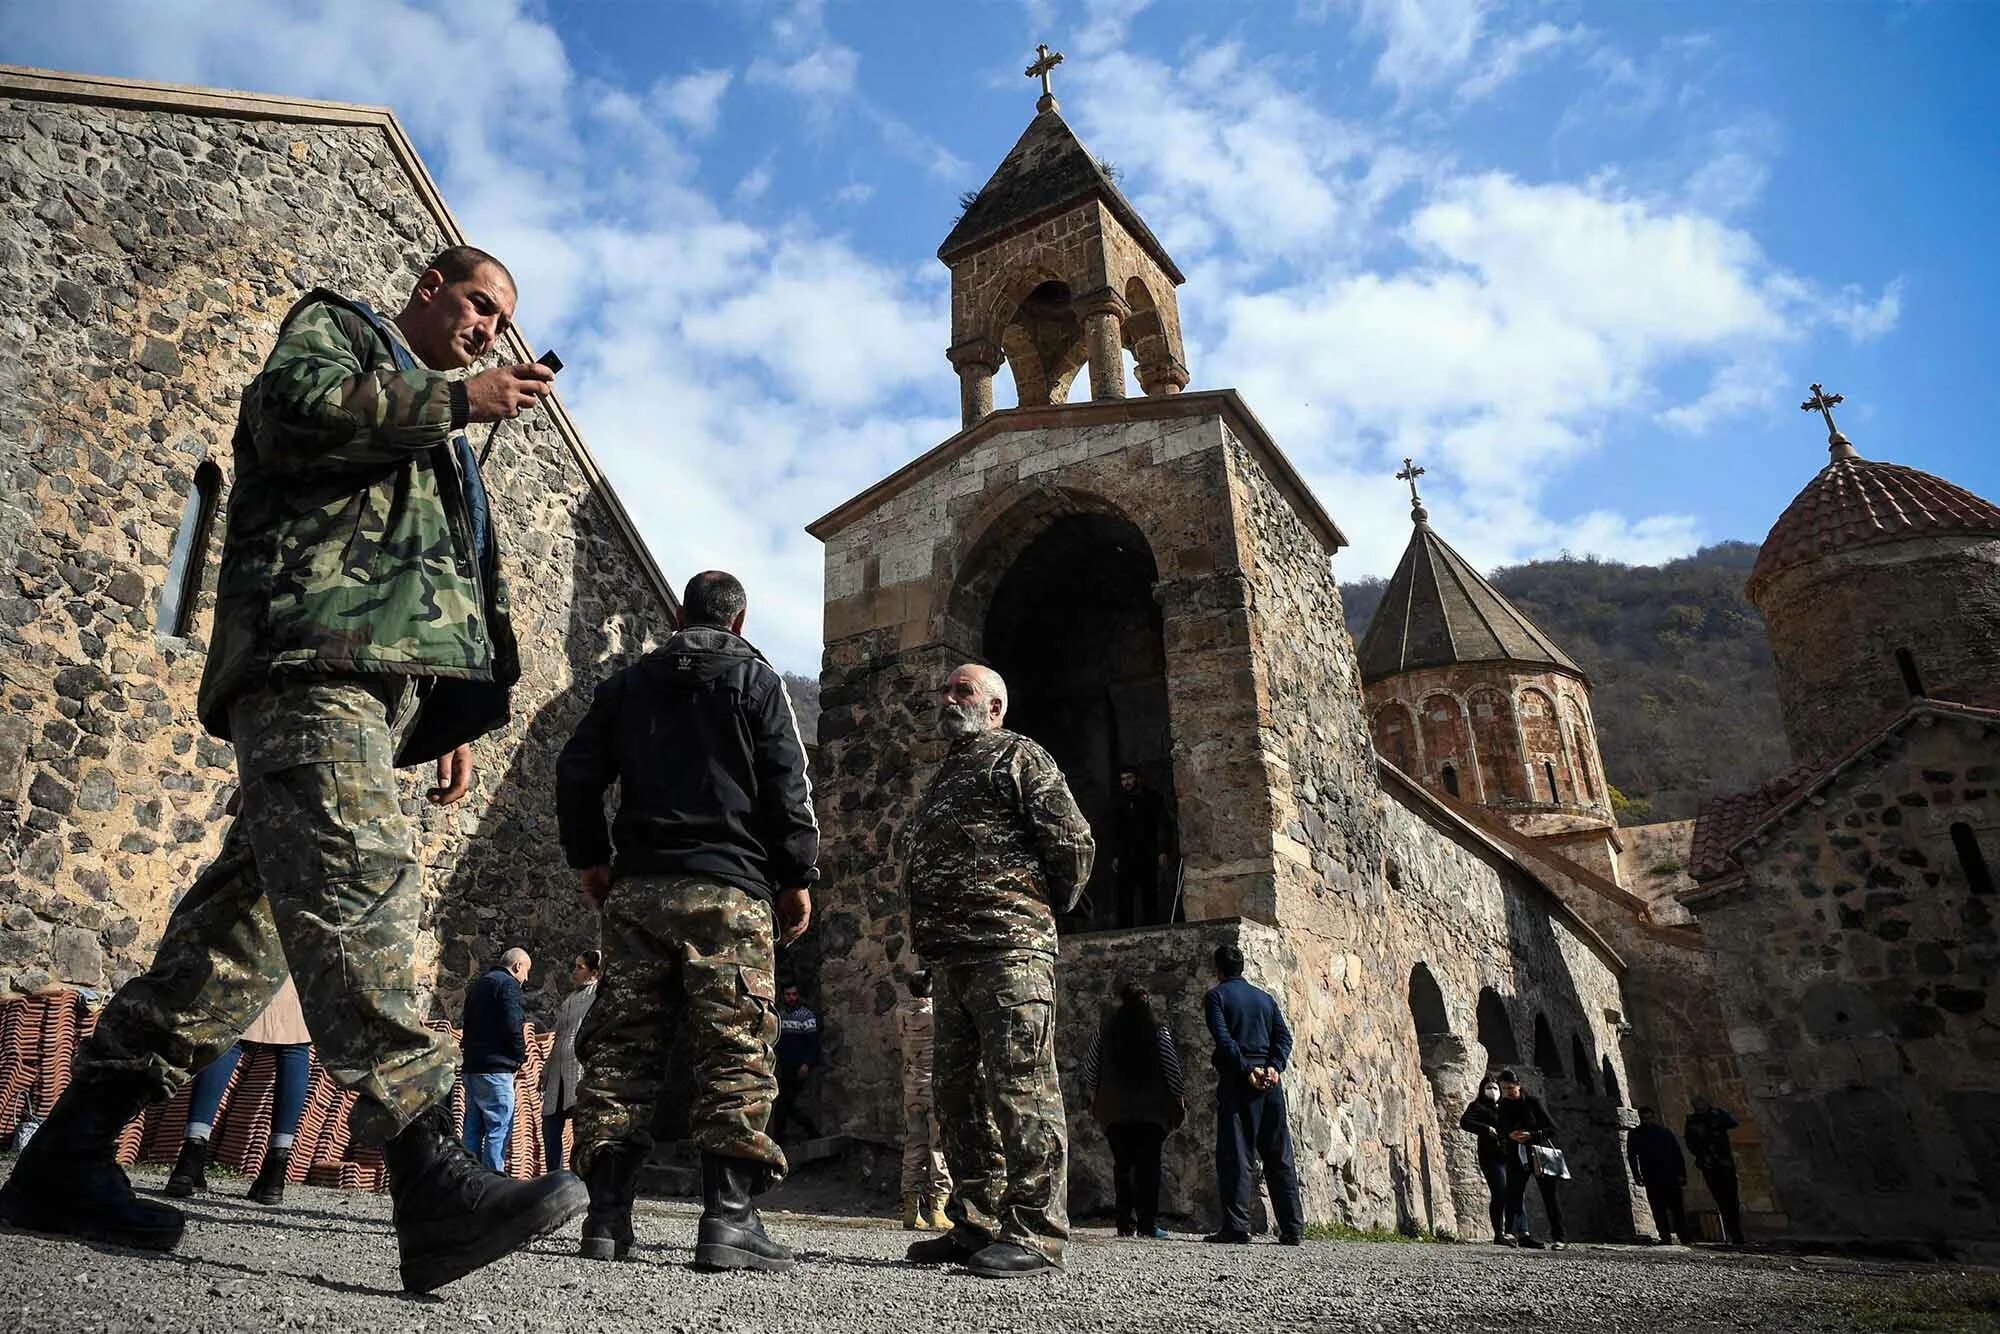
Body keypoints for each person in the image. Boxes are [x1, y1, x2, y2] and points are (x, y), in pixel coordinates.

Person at [0, 248, 585, 1294]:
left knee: (230, 941)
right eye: (477, 304)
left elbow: (428, 575)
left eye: (502, 319)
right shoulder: (343, 335)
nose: (489, 328)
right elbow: (289, 410)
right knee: (363, 883)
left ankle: (69, 1151)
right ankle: (427, 1168)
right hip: (307, 657)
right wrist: (456, 399)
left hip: (369, 678)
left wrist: (443, 701)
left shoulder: (437, 430)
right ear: (427, 289)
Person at [557, 570, 817, 1272]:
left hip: (639, 887)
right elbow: (788, 785)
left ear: (678, 615)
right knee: (734, 1047)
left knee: (620, 1049)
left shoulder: (628, 684)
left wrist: (592, 858)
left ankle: (606, 1221)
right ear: (740, 620)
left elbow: (576, 771)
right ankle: (729, 1221)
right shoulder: (757, 684)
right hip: (728, 891)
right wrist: (797, 877)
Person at [899, 664, 1095, 1279]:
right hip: (950, 960)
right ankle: (976, 1221)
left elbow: (1072, 840)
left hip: (1008, 951)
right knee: (956, 1097)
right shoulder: (944, 776)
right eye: (947, 689)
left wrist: (1032, 910)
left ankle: (1036, 1232)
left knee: (1021, 1086)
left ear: (994, 709)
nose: (948, 698)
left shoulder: (1019, 756)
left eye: (964, 691)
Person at [163, 975, 313, 1205]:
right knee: (294, 1041)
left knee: (229, 1034)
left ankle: (189, 1160)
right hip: (302, 952)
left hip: (251, 951)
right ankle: (276, 1171)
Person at [1202, 945, 1303, 1245]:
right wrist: (1274, 1066)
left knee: (1236, 1154)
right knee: (1279, 1156)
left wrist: (1247, 1070)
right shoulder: (1265, 999)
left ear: (1218, 969)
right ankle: (1292, 1226)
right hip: (1270, 1086)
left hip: (1239, 1082)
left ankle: (1236, 1226)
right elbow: (1284, 1037)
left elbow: (1223, 1039)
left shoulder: (1216, 998)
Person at [1081, 985, 1186, 1240]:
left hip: (1115, 1112)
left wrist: (1097, 1096)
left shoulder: (1105, 1031)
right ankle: (1148, 1224)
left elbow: (1090, 1068)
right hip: (1151, 1113)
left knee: (1123, 1167)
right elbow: (1172, 1069)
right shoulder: (1158, 1031)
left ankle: (1124, 1222)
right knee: (1149, 1167)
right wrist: (1178, 1098)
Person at [460, 948, 531, 1172]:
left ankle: (468, 1181)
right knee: (498, 1130)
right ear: (518, 966)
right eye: (526, 972)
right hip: (496, 1069)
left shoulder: (478, 986)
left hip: (473, 1068)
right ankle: (493, 1184)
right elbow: (513, 1025)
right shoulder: (508, 985)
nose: (526, 979)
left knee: (472, 1130)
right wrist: (520, 1057)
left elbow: (468, 1026)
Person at [896, 971, 951, 1231]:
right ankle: (938, 1210)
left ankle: (910, 1209)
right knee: (937, 1147)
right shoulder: (936, 1015)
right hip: (934, 1088)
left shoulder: (901, 1014)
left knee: (913, 1144)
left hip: (911, 1088)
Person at [540, 951, 601, 1173]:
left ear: (594, 973)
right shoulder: (569, 1001)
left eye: (580, 967)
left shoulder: (597, 995)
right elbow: (558, 1037)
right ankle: (554, 1177)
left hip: (579, 1071)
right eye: (574, 966)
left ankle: (580, 1178)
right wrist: (546, 1071)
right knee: (550, 1124)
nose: (574, 972)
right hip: (558, 1071)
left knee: (580, 1129)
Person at [1493, 1069, 1564, 1250]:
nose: (1508, 1091)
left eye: (1510, 1088)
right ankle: (1510, 1233)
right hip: (1517, 1155)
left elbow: (1552, 1128)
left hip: (1538, 1154)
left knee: (1550, 1197)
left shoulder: (1532, 1102)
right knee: (1514, 1195)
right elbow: (1500, 1129)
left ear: (1518, 1085)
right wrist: (1510, 1135)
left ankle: (1559, 1237)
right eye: (1504, 1088)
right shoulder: (1502, 1105)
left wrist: (1531, 1135)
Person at [1109, 767, 1175, 928]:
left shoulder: (1152, 799)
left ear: (1138, 778)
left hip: (1147, 853)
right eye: (1123, 779)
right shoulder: (1118, 802)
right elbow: (1113, 830)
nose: (1127, 782)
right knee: (1125, 897)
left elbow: (1164, 824)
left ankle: (1152, 928)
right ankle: (1124, 931)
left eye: (1129, 778)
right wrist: (1115, 855)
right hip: (1126, 855)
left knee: (1149, 895)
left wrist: (1163, 850)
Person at [1458, 1075, 1512, 1244]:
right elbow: (1465, 1122)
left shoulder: (1505, 1107)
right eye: (1489, 1088)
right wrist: (1486, 1129)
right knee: (1500, 1192)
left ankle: (1517, 1232)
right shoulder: (1477, 1106)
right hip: (1491, 1157)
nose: (1493, 1091)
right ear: (1483, 1089)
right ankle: (1499, 1232)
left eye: (1495, 1088)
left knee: (1513, 1194)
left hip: (1510, 1155)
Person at [1684, 1094, 1745, 1244]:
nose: (1699, 1106)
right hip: (1708, 1164)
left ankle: (1736, 1233)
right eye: (1696, 1104)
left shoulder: (1717, 1115)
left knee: (1732, 1199)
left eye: (1702, 1103)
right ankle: (1732, 1233)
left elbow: (1733, 1124)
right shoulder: (1692, 1121)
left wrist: (1720, 1117)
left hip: (1724, 1162)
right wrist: (1701, 1154)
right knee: (1720, 1198)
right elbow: (1690, 1142)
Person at [1627, 1105, 1690, 1244]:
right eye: (1644, 1118)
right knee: (1658, 1208)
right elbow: (1631, 1156)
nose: (1647, 1121)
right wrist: (1636, 1175)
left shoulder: (1664, 1133)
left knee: (1676, 1208)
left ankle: (1684, 1236)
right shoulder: (1636, 1135)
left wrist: (1681, 1174)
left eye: (1649, 1118)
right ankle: (1665, 1236)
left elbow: (1676, 1154)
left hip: (1669, 1174)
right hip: (1651, 1175)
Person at [770, 984, 821, 1142]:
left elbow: (813, 1044)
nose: (791, 998)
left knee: (785, 1104)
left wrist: (806, 1064)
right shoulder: (781, 1015)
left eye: (794, 994)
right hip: (785, 1066)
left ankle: (810, 1131)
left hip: (799, 1067)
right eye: (788, 995)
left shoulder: (806, 1016)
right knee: (784, 1104)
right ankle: (783, 1137)